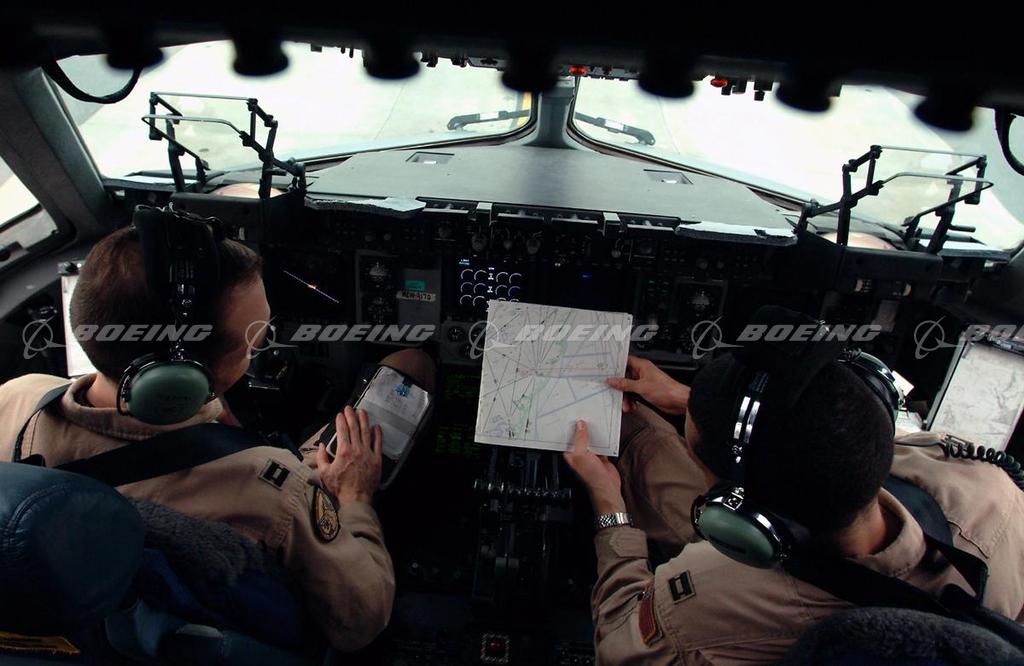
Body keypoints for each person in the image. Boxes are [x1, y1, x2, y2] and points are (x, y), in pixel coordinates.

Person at [0, 225, 435, 652]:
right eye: (250, 344)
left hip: (83, 640)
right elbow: (362, 619)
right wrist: (355, 497)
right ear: (186, 379)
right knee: (412, 365)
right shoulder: (270, 488)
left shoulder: (17, 400)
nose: (256, 350)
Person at [564, 347, 1024, 664]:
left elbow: (619, 643)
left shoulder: (705, 599)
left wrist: (609, 503)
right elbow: (831, 432)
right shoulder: (988, 488)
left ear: (737, 519)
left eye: (700, 462)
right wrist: (697, 402)